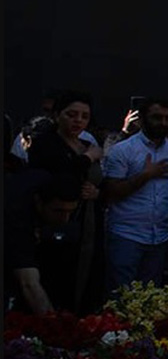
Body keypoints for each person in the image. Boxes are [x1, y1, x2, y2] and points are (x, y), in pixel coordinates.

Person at [100, 98, 168, 294]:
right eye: (157, 118)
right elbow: (111, 192)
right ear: (142, 120)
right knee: (120, 296)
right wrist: (145, 176)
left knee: (151, 297)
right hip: (126, 235)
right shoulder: (123, 150)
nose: (163, 123)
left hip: (160, 237)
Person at [27, 92, 105, 310]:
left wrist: (97, 193)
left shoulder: (86, 143)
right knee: (57, 274)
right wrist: (88, 158)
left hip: (87, 222)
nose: (78, 121)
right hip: (55, 221)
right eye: (72, 115)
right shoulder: (45, 143)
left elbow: (102, 183)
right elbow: (59, 176)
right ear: (57, 115)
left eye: (84, 116)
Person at [5, 172, 83, 313]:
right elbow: (29, 283)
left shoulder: (50, 183)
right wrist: (52, 324)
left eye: (70, 212)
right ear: (38, 202)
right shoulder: (16, 214)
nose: (64, 219)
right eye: (58, 211)